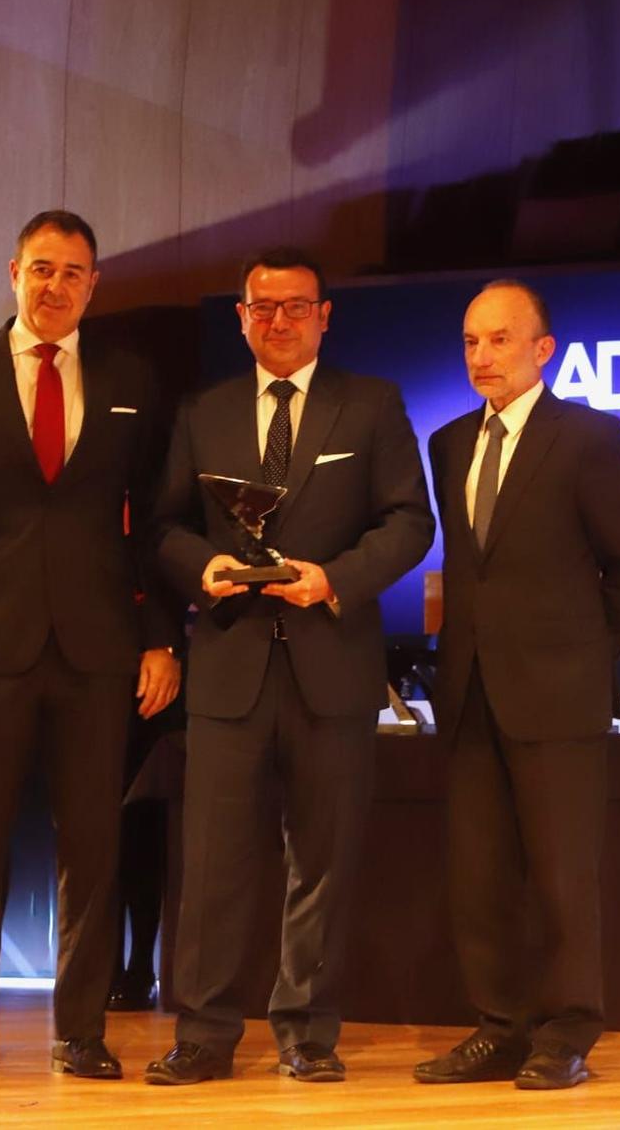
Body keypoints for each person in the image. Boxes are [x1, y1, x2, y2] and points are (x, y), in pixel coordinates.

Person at [144, 248, 434, 1086]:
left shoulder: (371, 405)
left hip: (332, 665)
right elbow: (161, 525)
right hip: (229, 667)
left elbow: (410, 521)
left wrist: (333, 579)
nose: (278, 320)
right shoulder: (204, 410)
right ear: (241, 316)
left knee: (325, 859)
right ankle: (202, 1033)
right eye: (262, 307)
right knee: (212, 865)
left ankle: (307, 1030)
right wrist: (200, 567)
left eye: (295, 306)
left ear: (324, 314)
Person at [0, 209, 180, 1080]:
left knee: (92, 847)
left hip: (100, 649)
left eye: (74, 272)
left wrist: (162, 639)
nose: (56, 284)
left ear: (94, 284)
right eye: (42, 268)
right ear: (13, 271)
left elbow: (158, 526)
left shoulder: (134, 378)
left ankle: (82, 1033)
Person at [413, 279, 620, 1091]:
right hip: (471, 689)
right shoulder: (448, 442)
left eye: (501, 339)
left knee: (560, 876)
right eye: (473, 341)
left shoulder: (588, 436)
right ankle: (499, 1028)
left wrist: (586, 657)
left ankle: (565, 1032)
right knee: (479, 878)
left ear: (542, 349)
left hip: (559, 694)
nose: (483, 355)